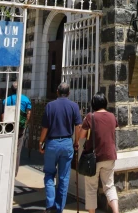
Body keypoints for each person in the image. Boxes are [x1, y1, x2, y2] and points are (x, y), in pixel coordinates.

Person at [38, 83, 82, 213]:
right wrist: (76, 142)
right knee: (63, 178)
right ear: (69, 93)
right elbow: (78, 126)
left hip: (52, 143)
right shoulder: (74, 106)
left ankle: (50, 203)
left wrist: (41, 142)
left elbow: (45, 127)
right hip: (67, 142)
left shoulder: (50, 106)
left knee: (49, 174)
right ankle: (59, 209)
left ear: (57, 92)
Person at [77, 93, 119, 213]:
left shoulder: (91, 117)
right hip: (110, 155)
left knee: (91, 188)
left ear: (93, 104)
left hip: (94, 158)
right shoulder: (112, 116)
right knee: (110, 186)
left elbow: (82, 135)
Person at [3, 81, 32, 177]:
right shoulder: (25, 99)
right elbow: (28, 114)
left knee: (7, 147)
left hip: (9, 125)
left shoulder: (7, 100)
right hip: (20, 126)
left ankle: (6, 168)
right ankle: (14, 172)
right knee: (18, 149)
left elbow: (3, 114)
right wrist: (25, 124)